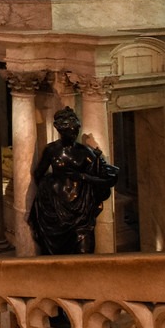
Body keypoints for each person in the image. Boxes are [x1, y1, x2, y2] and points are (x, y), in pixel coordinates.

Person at [28, 107, 119, 255]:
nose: (74, 135)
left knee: (84, 251)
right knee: (53, 254)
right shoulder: (51, 150)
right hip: (54, 208)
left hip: (80, 209)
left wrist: (83, 177)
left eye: (76, 131)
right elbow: (38, 173)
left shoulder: (85, 152)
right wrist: (47, 191)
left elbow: (104, 178)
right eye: (70, 132)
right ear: (60, 130)